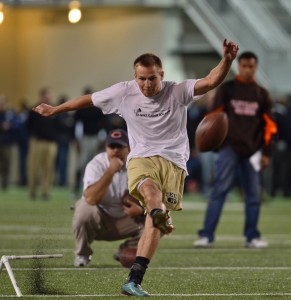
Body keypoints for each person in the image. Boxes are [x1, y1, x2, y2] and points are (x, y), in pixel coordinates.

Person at [33, 38, 239, 296]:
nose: (146, 84)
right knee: (150, 191)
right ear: (135, 76)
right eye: (141, 79)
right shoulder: (124, 92)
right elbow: (88, 100)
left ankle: (134, 280)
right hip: (142, 157)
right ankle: (157, 213)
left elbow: (210, 81)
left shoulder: (177, 91)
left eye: (152, 78)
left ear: (161, 74)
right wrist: (56, 109)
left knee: (155, 222)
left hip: (174, 163)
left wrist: (228, 60)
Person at [193, 51, 278, 250]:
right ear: (239, 67)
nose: (248, 70)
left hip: (253, 151)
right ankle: (207, 235)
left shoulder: (262, 94)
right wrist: (214, 143)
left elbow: (270, 127)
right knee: (219, 191)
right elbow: (213, 117)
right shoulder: (227, 90)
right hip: (229, 148)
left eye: (252, 66)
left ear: (255, 68)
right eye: (245, 66)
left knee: (253, 195)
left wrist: (266, 152)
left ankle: (252, 237)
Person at [72, 129, 145, 267]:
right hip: (100, 219)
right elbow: (90, 199)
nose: (116, 150)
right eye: (112, 146)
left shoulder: (139, 165)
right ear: (106, 148)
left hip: (127, 219)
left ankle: (127, 249)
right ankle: (83, 254)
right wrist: (110, 171)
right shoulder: (96, 164)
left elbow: (152, 197)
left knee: (162, 219)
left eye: (120, 146)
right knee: (83, 208)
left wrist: (141, 210)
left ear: (129, 148)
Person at [27, 87, 59, 200]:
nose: (48, 97)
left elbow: (58, 126)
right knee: (34, 168)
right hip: (38, 142)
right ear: (41, 96)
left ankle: (45, 191)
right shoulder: (35, 110)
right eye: (46, 95)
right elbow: (28, 126)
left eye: (49, 95)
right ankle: (32, 191)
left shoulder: (55, 109)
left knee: (48, 168)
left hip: (51, 143)